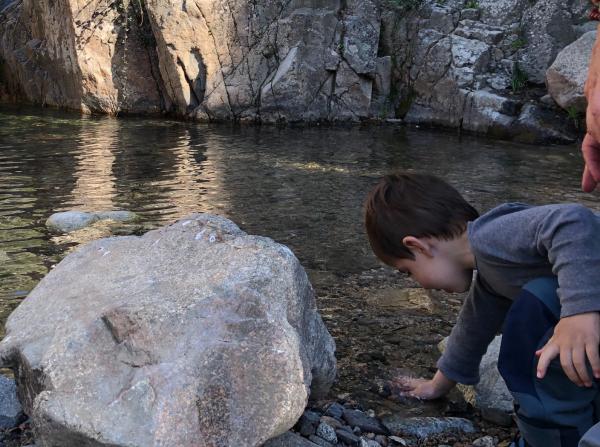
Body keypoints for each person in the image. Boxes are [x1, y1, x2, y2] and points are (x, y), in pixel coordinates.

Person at [364, 173, 600, 446]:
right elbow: (472, 329)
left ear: (418, 246)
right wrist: (437, 384)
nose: (418, 283)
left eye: (408, 272)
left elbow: (572, 221)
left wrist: (578, 313)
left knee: (530, 318)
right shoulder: (491, 275)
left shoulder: (494, 235)